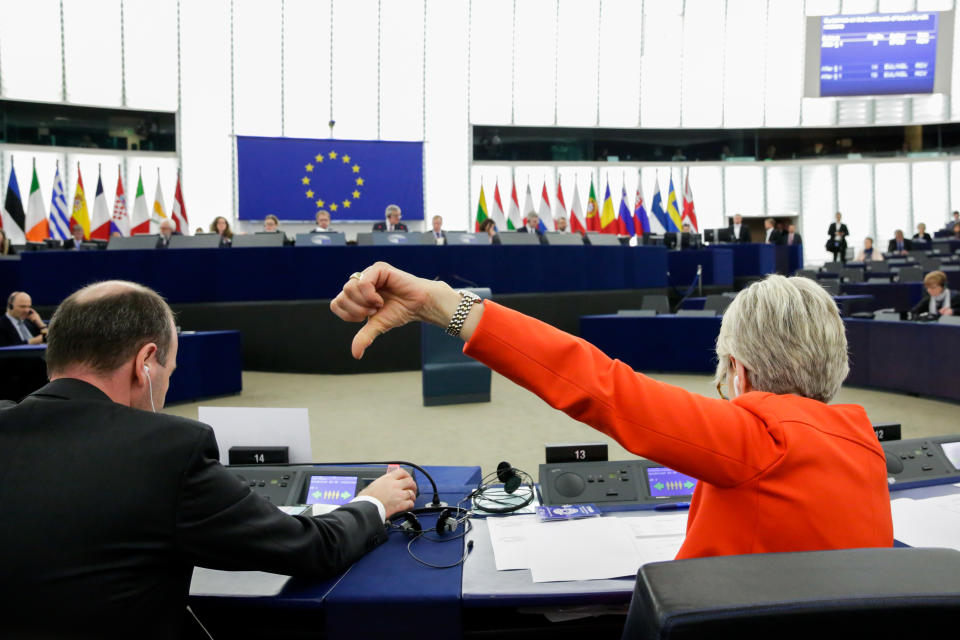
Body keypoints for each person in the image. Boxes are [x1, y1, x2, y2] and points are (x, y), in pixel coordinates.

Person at [331, 264, 893, 561]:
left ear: (739, 371)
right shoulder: (865, 447)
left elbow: (597, 384)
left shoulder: (759, 441)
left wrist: (438, 303)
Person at [0, 280, 417, 637]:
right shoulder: (165, 450)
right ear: (145, 363)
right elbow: (310, 549)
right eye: (170, 372)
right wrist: (377, 501)